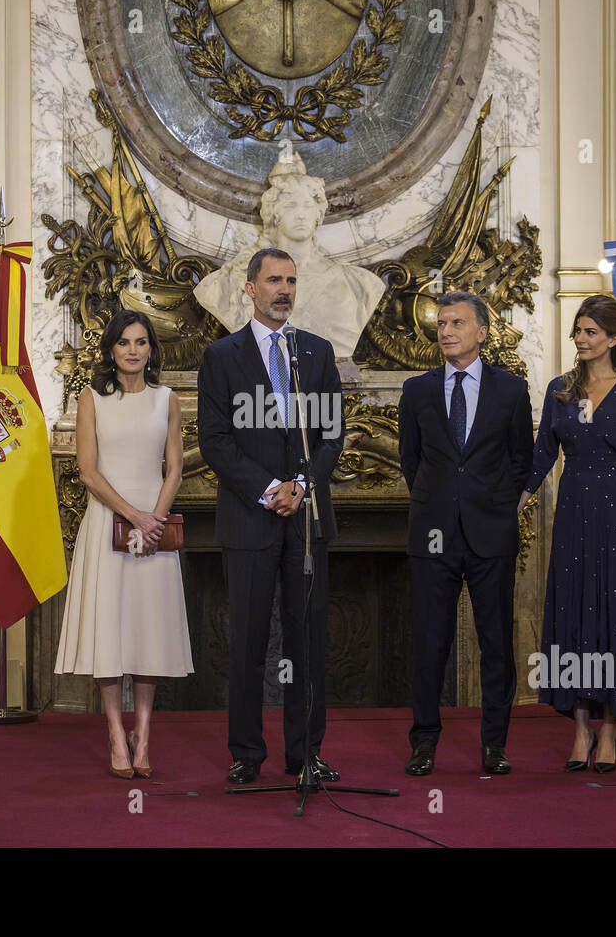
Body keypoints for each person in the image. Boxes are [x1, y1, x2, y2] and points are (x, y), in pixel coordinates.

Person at [197, 247, 346, 784]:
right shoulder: (221, 356)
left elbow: (332, 433)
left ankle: (306, 754)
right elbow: (214, 442)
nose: (284, 289)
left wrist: (302, 486)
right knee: (249, 644)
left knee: (308, 643)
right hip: (250, 518)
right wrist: (268, 489)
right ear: (250, 288)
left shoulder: (317, 352)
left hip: (306, 521)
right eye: (274, 280)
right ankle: (247, 754)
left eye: (291, 280)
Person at [518, 294, 616, 773]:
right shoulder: (561, 388)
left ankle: (610, 731)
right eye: (577, 331)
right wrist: (512, 502)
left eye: (590, 332)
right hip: (573, 511)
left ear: (613, 339)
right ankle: (580, 730)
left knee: (615, 617)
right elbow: (541, 457)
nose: (580, 339)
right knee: (575, 615)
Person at [397, 291, 533, 776]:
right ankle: (424, 742)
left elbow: (522, 461)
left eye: (457, 323)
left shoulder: (512, 391)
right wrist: (438, 505)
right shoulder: (416, 390)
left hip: (491, 536)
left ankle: (494, 744)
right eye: (441, 324)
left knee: (496, 643)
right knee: (430, 641)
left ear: (482, 332)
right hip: (432, 537)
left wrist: (492, 507)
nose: (446, 331)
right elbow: (410, 461)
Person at [54, 310, 193, 778]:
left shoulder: (167, 399)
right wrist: (133, 515)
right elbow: (88, 471)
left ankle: (144, 736)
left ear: (151, 348)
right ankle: (116, 735)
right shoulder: (91, 397)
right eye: (124, 342)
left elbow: (174, 468)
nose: (133, 350)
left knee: (147, 630)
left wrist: (153, 519)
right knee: (110, 631)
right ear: (111, 349)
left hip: (153, 528)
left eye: (141, 342)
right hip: (107, 525)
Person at [195, 154, 385, 359]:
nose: (301, 214)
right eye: (291, 206)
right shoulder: (231, 280)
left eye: (307, 206)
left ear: (319, 213)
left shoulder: (360, 284)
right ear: (274, 214)